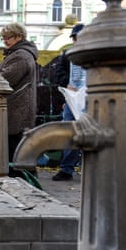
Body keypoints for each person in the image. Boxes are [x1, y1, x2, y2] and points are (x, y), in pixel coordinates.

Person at [0, 22, 39, 178]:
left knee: (16, 149)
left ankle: (25, 181)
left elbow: (4, 79)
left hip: (17, 110)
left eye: (8, 38)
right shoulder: (22, 53)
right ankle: (24, 178)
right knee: (19, 148)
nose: (5, 41)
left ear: (19, 37)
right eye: (3, 38)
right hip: (19, 109)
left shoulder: (20, 56)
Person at [52, 23, 86, 181]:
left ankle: (89, 167)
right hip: (72, 97)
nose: (76, 41)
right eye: (74, 38)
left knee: (89, 133)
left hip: (89, 97)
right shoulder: (67, 55)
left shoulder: (94, 54)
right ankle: (66, 169)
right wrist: (67, 85)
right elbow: (58, 74)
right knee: (70, 133)